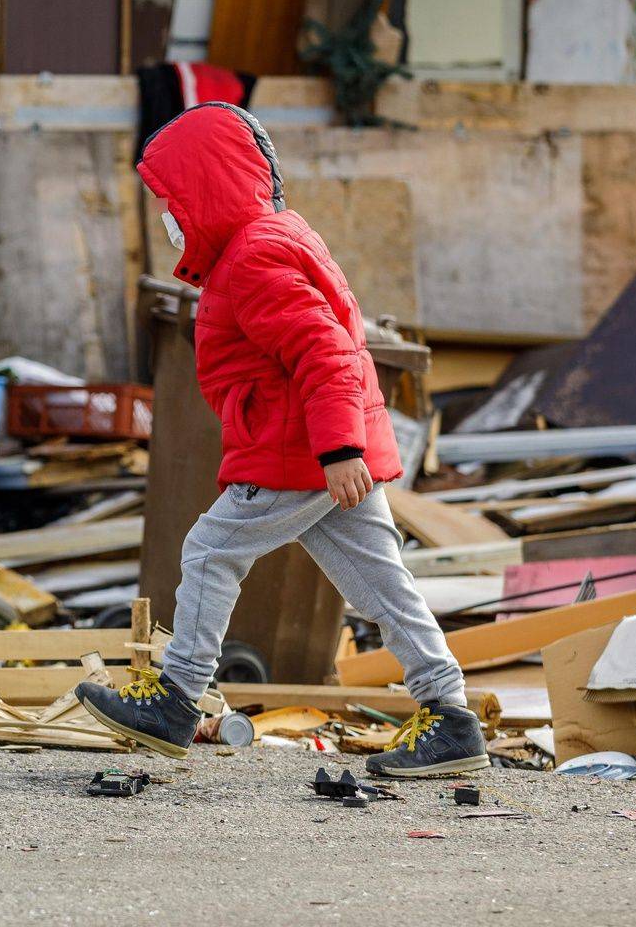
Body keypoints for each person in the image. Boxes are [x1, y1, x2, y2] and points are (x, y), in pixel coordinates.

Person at [75, 103, 487, 778]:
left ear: (208, 193)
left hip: (300, 452)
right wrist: (344, 447)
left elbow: (325, 351)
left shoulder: (252, 256)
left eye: (173, 201)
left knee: (210, 551)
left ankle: (176, 698)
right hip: (321, 448)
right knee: (383, 584)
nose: (167, 220)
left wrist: (336, 451)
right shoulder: (269, 240)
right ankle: (451, 717)